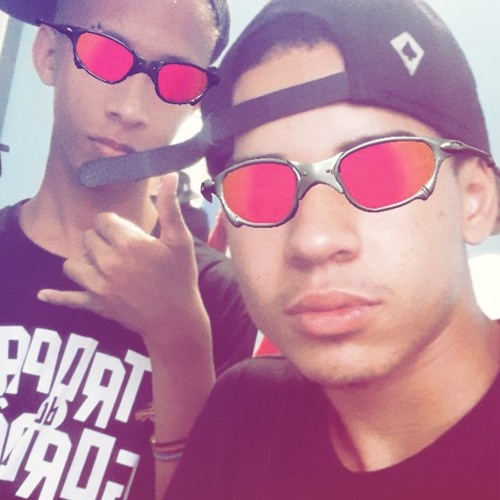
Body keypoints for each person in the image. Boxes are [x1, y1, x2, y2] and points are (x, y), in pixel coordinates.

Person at [164, 0, 500, 498]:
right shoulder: (242, 415)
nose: (313, 240)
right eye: (260, 188)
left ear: (475, 200)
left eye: (381, 171)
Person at [0, 0, 257, 498]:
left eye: (176, 79)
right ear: (48, 53)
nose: (131, 108)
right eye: (105, 53)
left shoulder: (216, 296)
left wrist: (179, 337)